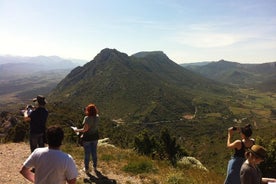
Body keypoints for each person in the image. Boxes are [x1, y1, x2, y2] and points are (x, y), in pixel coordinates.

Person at [74, 103, 99, 173]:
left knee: (87, 153)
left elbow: (85, 129)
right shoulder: (97, 117)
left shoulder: (87, 118)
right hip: (95, 137)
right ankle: (95, 167)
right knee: (94, 152)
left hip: (87, 138)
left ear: (88, 111)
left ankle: (87, 168)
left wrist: (76, 130)